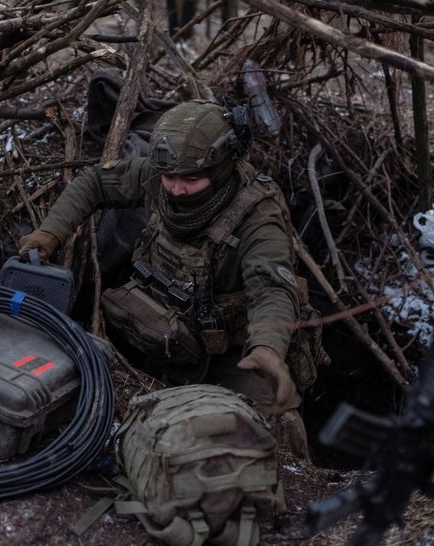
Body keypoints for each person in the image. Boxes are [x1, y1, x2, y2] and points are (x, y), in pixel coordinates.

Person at [19, 100, 312, 457]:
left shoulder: (257, 215)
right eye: (170, 177)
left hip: (235, 357)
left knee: (269, 438)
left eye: (190, 180)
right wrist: (49, 234)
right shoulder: (158, 176)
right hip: (166, 340)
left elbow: (272, 288)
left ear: (223, 166)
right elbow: (96, 181)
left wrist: (267, 348)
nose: (175, 189)